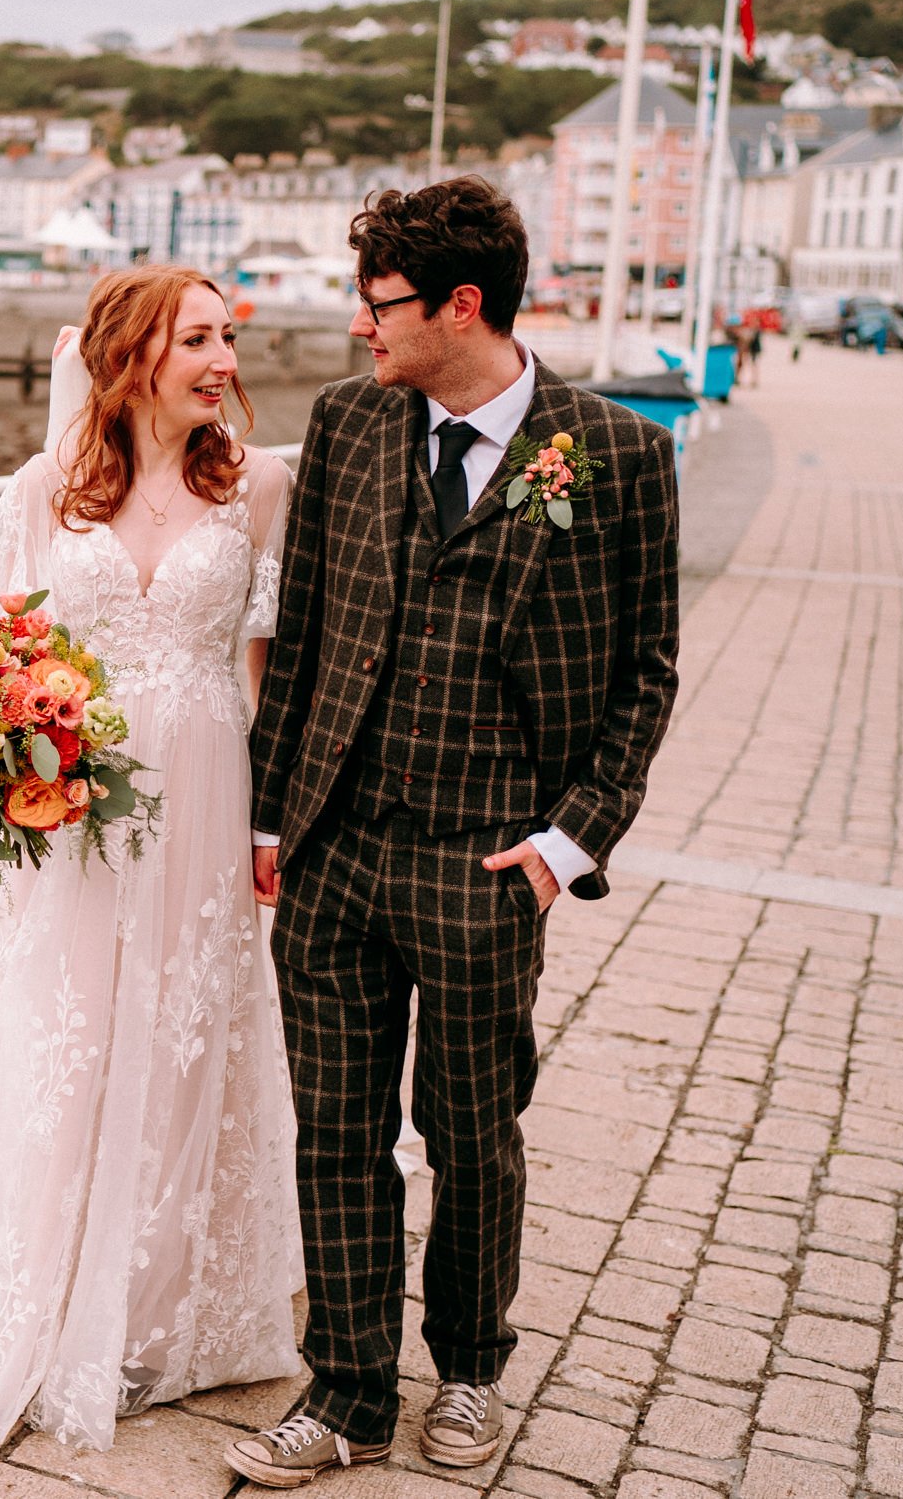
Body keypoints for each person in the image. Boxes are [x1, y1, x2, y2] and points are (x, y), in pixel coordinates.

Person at [233, 178, 682, 1487]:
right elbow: (302, 632)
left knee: (475, 1124)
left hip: (488, 858)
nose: (359, 327)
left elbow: (643, 671)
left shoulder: (612, 453)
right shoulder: (350, 421)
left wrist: (565, 844)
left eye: (378, 304)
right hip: (335, 846)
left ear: (460, 305)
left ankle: (471, 1367)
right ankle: (351, 1389)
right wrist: (272, 814)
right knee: (336, 1124)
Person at [0, 265, 305, 1450]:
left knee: (184, 1035)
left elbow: (271, 673)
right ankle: (34, 1289)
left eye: (227, 336)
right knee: (58, 1030)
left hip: (205, 788)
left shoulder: (260, 488)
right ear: (132, 355)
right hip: (71, 803)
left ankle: (155, 1311)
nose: (224, 358)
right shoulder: (45, 489)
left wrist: (267, 822)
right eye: (198, 338)